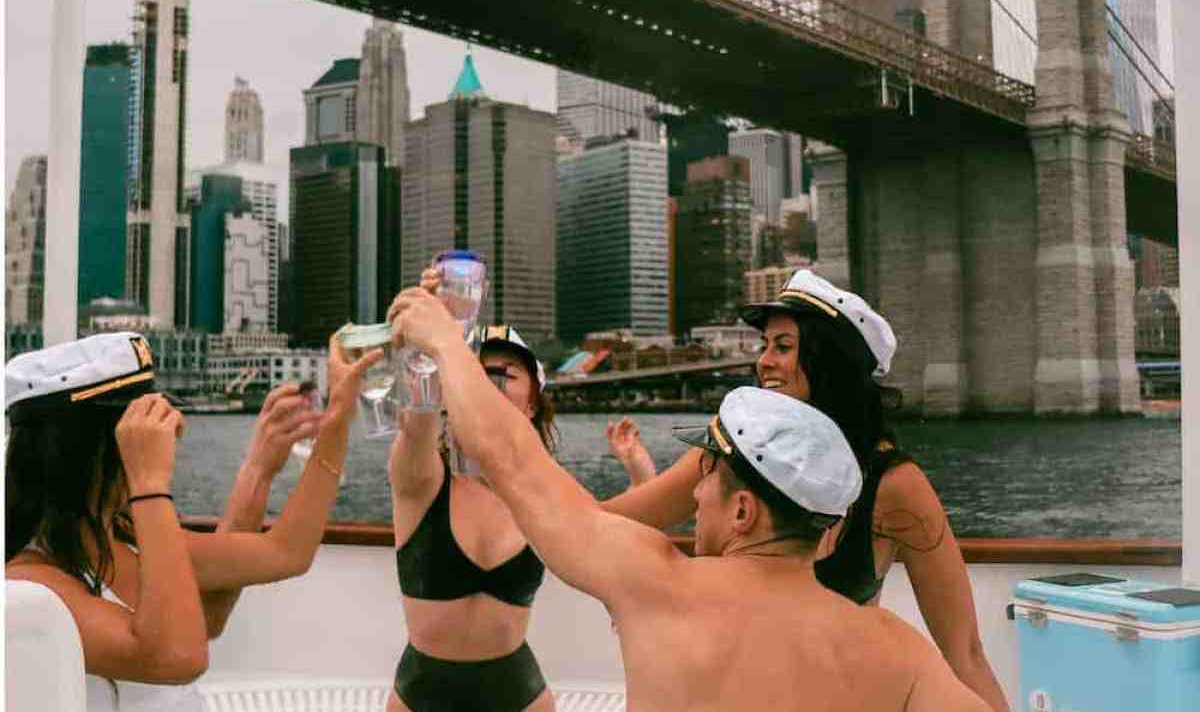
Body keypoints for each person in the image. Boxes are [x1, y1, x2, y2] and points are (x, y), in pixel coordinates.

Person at [389, 285, 992, 712]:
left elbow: (521, 470)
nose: (764, 360)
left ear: (742, 509)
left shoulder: (655, 588)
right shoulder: (898, 654)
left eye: (783, 345)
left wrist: (446, 342)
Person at [600, 269, 1010, 711]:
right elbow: (603, 521)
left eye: (783, 347)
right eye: (765, 346)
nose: (764, 361)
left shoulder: (893, 486)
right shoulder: (726, 454)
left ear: (829, 359)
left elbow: (964, 651)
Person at [5, 331, 379, 712]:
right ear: (90, 448)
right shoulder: (33, 583)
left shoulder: (121, 538)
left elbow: (286, 553)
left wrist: (314, 434)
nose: (173, 434)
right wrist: (149, 484)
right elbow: (179, 654)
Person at [376, 309, 557, 712]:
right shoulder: (421, 482)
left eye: (505, 374)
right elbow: (418, 423)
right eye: (475, 372)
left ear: (531, 404)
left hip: (520, 696)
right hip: (421, 696)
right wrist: (435, 341)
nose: (486, 382)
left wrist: (638, 472)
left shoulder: (544, 494)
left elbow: (605, 542)